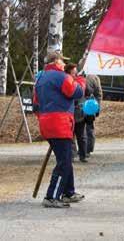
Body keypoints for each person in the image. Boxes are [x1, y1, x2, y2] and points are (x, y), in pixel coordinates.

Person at [33, 52, 86, 208]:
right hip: (60, 123)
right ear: (56, 61)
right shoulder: (61, 76)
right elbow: (77, 92)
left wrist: (45, 119)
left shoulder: (40, 78)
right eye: (63, 61)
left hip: (47, 122)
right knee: (64, 161)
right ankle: (51, 196)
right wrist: (80, 79)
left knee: (66, 158)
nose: (64, 64)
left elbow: (36, 105)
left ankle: (68, 192)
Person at [64, 63, 88, 163]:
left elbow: (84, 92)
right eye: (74, 72)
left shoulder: (80, 81)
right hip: (69, 113)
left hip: (79, 113)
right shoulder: (66, 81)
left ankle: (83, 155)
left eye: (76, 72)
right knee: (71, 136)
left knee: (81, 135)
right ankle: (72, 155)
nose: (76, 74)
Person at [84, 74, 103, 157]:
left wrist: (97, 108)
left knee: (88, 128)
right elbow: (99, 95)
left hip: (89, 106)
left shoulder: (92, 77)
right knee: (88, 128)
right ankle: (86, 150)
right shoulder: (94, 77)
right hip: (88, 105)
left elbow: (98, 94)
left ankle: (87, 150)